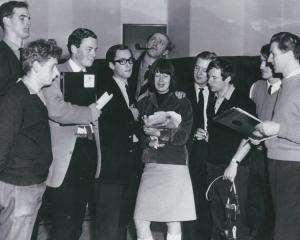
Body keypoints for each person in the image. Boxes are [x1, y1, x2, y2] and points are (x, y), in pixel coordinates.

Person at [42, 28, 101, 240]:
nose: (94, 53)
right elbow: (56, 110)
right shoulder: (55, 71)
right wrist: (89, 113)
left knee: (76, 223)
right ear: (74, 48)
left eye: (95, 49)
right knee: (63, 224)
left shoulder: (90, 77)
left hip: (86, 153)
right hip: (65, 157)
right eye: (89, 49)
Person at [0, 39, 62, 240]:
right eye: (52, 67)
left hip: (32, 183)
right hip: (19, 186)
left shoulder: (34, 95)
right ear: (35, 66)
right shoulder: (16, 97)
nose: (56, 73)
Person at [134, 58, 195, 240]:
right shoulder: (145, 102)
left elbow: (182, 137)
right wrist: (146, 137)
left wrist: (159, 134)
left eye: (165, 75)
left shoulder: (182, 102)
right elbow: (140, 137)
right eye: (157, 75)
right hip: (150, 165)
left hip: (173, 165)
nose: (161, 80)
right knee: (140, 220)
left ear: (172, 78)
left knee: (173, 220)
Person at [223, 43, 280, 240]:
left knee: (276, 210)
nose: (262, 65)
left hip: (277, 158)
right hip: (253, 156)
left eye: (266, 61)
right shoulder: (256, 87)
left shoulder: (289, 88)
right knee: (253, 207)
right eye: (261, 61)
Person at [255, 32, 300, 240]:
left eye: (273, 54)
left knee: (286, 229)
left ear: (288, 53)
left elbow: (284, 128)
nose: (270, 60)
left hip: (292, 167)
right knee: (282, 225)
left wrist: (278, 130)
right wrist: (264, 135)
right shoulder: (286, 84)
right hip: (276, 163)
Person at [206, 58, 256, 240]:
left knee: (235, 221)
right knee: (217, 219)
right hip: (213, 165)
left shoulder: (243, 102)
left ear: (227, 79)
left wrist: (234, 163)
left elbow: (250, 136)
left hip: (233, 168)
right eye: (208, 76)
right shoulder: (214, 99)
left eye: (214, 77)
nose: (209, 81)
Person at [95, 44, 140, 240]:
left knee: (121, 221)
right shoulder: (107, 89)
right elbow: (101, 122)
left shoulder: (127, 87)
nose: (128, 65)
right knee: (109, 225)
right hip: (112, 169)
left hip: (127, 167)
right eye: (122, 61)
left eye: (130, 60)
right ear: (112, 65)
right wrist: (130, 117)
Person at [183, 51, 216, 240]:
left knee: (208, 203)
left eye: (205, 69)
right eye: (197, 67)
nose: (199, 73)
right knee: (189, 202)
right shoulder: (181, 91)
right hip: (188, 154)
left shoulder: (218, 92)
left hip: (211, 153)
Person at [131, 31, 175, 102]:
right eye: (153, 39)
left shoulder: (169, 73)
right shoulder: (130, 67)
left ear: (165, 52)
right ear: (146, 44)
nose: (155, 43)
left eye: (161, 42)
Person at [0, 0, 30, 96]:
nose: (28, 23)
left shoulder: (28, 54)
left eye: (29, 19)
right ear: (6, 21)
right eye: (22, 19)